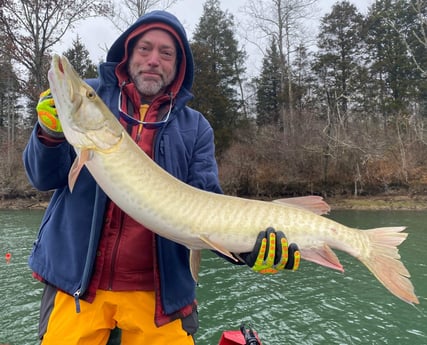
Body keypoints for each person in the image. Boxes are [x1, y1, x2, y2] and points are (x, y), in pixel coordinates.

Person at [23, 10, 300, 345]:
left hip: (158, 297)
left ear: (177, 64)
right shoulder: (92, 102)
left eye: (166, 53)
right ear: (128, 53)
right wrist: (50, 134)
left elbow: (205, 211)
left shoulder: (195, 127)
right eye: (145, 49)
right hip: (77, 288)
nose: (153, 59)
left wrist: (250, 250)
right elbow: (43, 177)